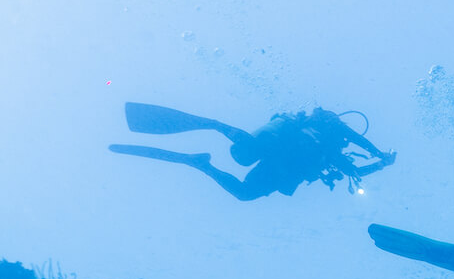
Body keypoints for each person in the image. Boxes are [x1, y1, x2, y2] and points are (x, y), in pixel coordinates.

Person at [110, 102, 394, 199]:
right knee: (244, 163)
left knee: (244, 188)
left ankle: (202, 159)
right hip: (279, 153)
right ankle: (212, 132)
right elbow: (357, 147)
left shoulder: (327, 145)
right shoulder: (333, 132)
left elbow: (355, 168)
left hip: (280, 160)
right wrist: (381, 158)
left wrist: (380, 161)